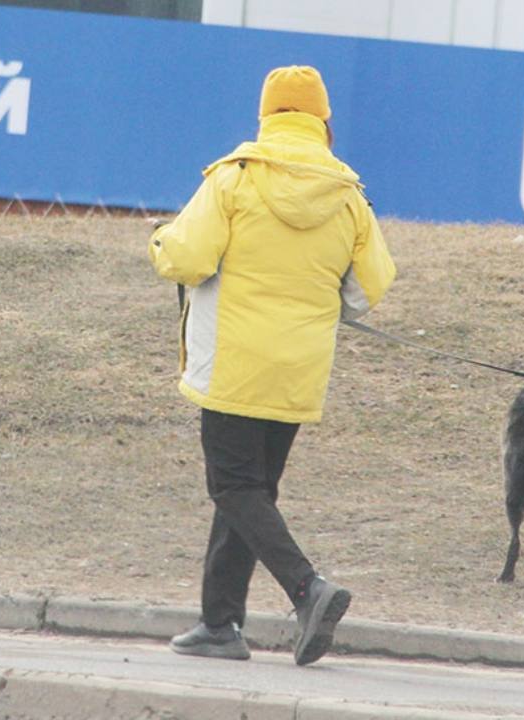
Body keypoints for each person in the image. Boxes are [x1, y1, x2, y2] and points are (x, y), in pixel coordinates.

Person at [148, 65, 396, 666]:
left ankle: (308, 590)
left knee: (234, 488)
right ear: (323, 121)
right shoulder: (348, 197)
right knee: (249, 493)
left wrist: (159, 240)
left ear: (267, 115)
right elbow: (370, 289)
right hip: (298, 368)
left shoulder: (235, 178)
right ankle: (219, 624)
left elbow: (187, 255)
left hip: (234, 362)